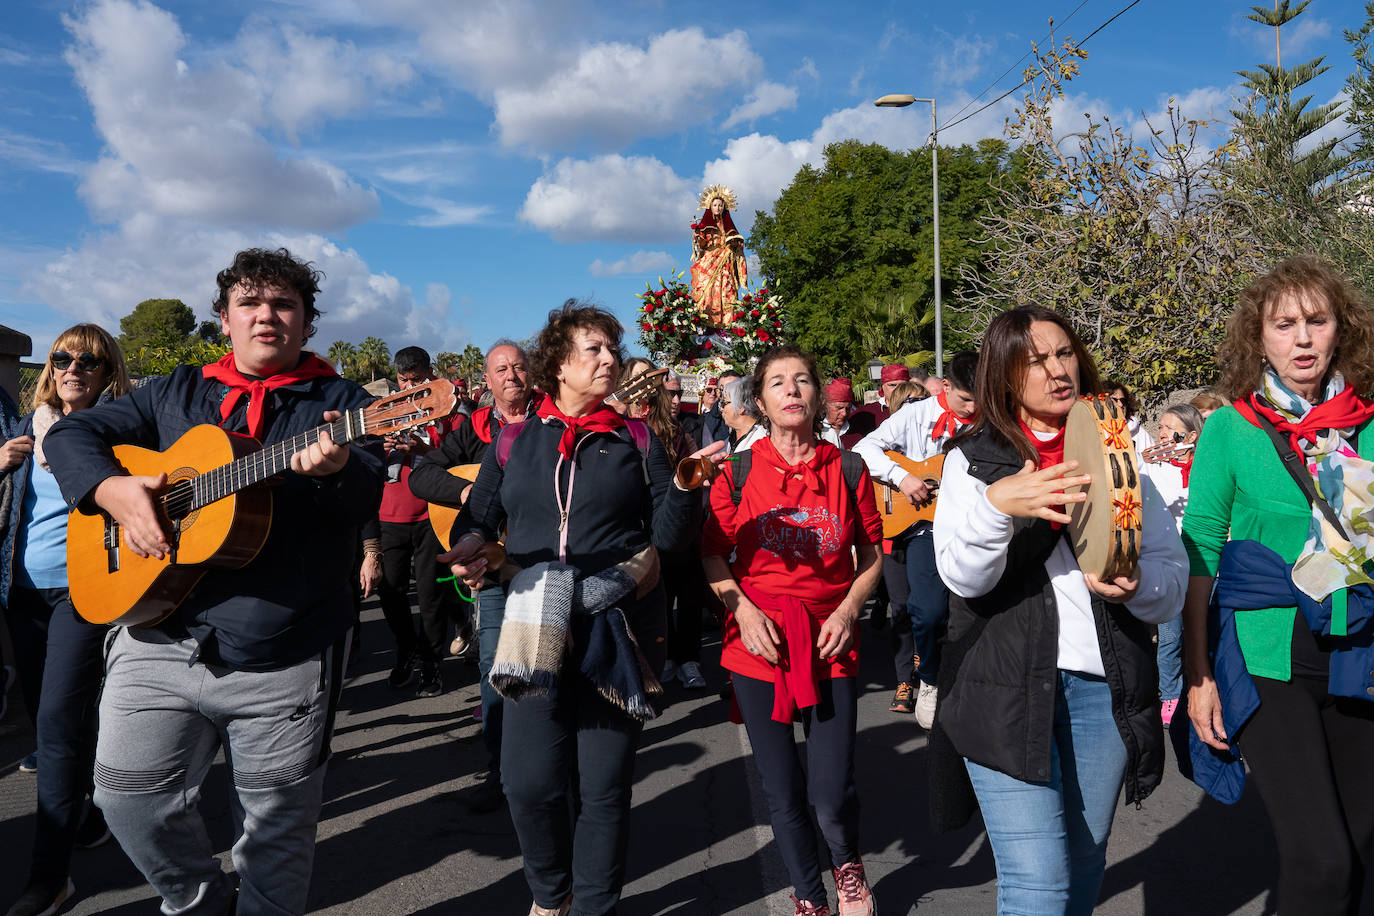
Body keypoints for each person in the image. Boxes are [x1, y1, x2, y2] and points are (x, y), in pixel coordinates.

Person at [44, 247, 384, 916]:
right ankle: (196, 900)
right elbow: (72, 435)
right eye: (250, 304)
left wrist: (335, 469)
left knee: (273, 835)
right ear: (223, 320)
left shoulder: (340, 403)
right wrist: (112, 490)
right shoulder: (177, 388)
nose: (267, 316)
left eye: (284, 304)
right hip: (157, 629)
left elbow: (365, 492)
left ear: (307, 323)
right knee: (123, 795)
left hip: (283, 645)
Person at [440, 300, 723, 916]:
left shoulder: (637, 436)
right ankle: (551, 894)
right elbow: (480, 515)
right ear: (557, 366)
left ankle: (594, 906)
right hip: (533, 622)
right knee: (528, 782)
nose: (607, 359)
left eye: (611, 350)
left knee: (602, 787)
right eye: (592, 349)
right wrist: (469, 547)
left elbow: (671, 540)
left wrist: (682, 487)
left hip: (617, 624)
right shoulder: (513, 439)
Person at [932, 305, 1186, 916]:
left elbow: (1171, 577)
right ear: (1003, 374)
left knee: (1082, 868)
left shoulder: (1119, 455)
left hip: (1103, 690)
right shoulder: (975, 459)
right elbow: (960, 576)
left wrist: (1136, 585)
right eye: (1034, 360)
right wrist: (999, 506)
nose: (1055, 370)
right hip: (1004, 690)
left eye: (1063, 353)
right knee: (1037, 883)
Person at [1182, 256, 1374, 915]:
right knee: (1321, 861)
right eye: (1284, 323)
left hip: (1361, 653)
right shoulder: (1232, 429)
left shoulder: (1370, 424)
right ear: (1257, 336)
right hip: (1268, 656)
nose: (1302, 338)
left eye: (1316, 322)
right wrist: (1198, 671)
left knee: (1360, 852)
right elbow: (1201, 550)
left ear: (1339, 330)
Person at [702, 345, 883, 916]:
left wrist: (850, 609)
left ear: (816, 394)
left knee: (831, 791)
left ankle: (847, 867)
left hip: (831, 638)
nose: (792, 390)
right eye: (778, 382)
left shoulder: (848, 468)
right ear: (760, 401)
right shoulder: (736, 472)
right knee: (781, 791)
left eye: (802, 380)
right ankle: (809, 895)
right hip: (758, 644)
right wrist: (744, 611)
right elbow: (712, 556)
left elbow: (872, 554)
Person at [3, 326, 131, 916]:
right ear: (48, 367)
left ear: (108, 373)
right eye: (62, 358)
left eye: (89, 360)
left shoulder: (123, 431)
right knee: (53, 718)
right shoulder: (22, 431)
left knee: (57, 723)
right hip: (21, 592)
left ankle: (49, 878)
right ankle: (90, 813)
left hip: (84, 591)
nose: (73, 367)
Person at [409, 339, 541, 813]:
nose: (511, 375)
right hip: (491, 565)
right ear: (486, 381)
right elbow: (420, 477)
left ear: (532, 374)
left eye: (519, 367)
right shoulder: (472, 430)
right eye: (500, 369)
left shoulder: (550, 424)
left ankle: (546, 766)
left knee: (545, 666)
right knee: (492, 669)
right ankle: (500, 770)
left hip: (543, 564)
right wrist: (470, 491)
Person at [854, 351, 979, 728]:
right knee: (926, 612)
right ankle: (928, 680)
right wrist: (902, 477)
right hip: (924, 527)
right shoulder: (916, 415)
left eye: (979, 399)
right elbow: (863, 449)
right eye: (965, 399)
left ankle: (969, 686)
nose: (973, 407)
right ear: (946, 387)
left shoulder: (989, 421)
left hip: (971, 528)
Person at [376, 346, 461, 698]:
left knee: (430, 595)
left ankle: (431, 664)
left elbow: (457, 455)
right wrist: (376, 448)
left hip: (430, 512)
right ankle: (406, 648)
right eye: (403, 380)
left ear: (430, 373)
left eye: (417, 379)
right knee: (390, 591)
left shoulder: (448, 408)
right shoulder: (380, 410)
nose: (410, 385)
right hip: (387, 513)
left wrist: (419, 450)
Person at [1140, 403, 1204, 726]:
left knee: (1208, 630)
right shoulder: (1154, 468)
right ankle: (1170, 695)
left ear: (1190, 435)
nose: (1162, 433)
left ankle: (1205, 688)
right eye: (1161, 427)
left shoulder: (1206, 469)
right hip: (1170, 566)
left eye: (1169, 428)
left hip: (1207, 564)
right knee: (1170, 636)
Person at [690, 186, 748, 326]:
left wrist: (734, 243)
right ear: (710, 207)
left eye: (720, 205)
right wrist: (698, 237)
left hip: (726, 262)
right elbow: (702, 246)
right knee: (706, 289)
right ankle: (705, 320)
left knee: (726, 290)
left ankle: (726, 324)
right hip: (709, 261)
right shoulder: (705, 226)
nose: (718, 208)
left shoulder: (729, 226)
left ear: (724, 207)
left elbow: (738, 246)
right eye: (715, 205)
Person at [1105, 379, 1155, 454]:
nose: (1120, 405)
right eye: (1114, 401)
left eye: (1123, 401)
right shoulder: (1094, 432)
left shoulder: (1140, 433)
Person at [821, 379, 873, 449]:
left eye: (848, 408)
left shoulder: (859, 431)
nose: (844, 413)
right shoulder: (816, 432)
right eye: (839, 408)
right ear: (826, 406)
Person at [721, 375, 766, 454]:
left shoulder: (761, 440)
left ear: (741, 407)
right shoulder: (731, 439)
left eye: (724, 403)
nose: (722, 408)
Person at [702, 370, 741, 448]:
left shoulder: (753, 418)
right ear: (719, 392)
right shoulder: (706, 421)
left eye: (733, 389)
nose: (728, 393)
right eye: (724, 389)